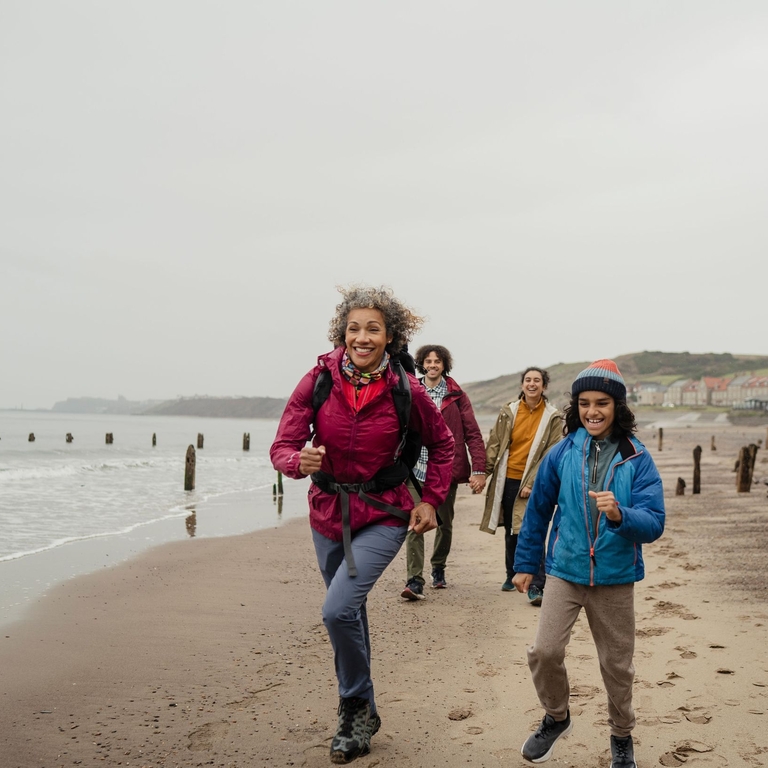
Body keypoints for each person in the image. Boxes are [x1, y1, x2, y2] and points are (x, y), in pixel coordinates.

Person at [269, 285, 454, 764]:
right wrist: (298, 461)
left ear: (390, 337)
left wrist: (431, 500)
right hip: (327, 512)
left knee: (336, 611)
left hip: (385, 513)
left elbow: (444, 445)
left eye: (373, 328)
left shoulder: (405, 389)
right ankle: (367, 709)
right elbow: (282, 446)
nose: (362, 337)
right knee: (349, 610)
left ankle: (352, 708)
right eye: (354, 328)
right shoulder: (318, 380)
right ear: (342, 334)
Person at [513, 360, 665, 767]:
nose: (592, 411)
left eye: (601, 403)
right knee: (545, 651)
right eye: (584, 403)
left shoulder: (637, 458)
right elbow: (538, 511)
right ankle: (556, 717)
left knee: (617, 666)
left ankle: (621, 736)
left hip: (616, 577)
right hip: (565, 569)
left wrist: (620, 516)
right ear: (575, 406)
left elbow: (654, 523)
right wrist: (527, 562)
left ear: (617, 406)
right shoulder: (562, 452)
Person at [400, 344, 486, 600]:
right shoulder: (412, 389)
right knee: (415, 522)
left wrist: (479, 468)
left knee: (443, 524)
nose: (433, 365)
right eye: (429, 361)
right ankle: (414, 580)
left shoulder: (457, 395)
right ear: (422, 364)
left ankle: (438, 566)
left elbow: (472, 433)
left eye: (438, 361)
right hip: (414, 470)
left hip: (444, 470)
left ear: (444, 365)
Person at [480, 367, 562, 601]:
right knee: (511, 529)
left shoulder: (553, 415)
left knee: (533, 528)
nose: (532, 384)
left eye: (537, 380)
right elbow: (495, 442)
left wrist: (532, 482)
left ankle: (537, 584)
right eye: (528, 380)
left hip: (536, 481)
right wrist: (483, 473)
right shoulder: (510, 410)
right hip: (508, 478)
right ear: (522, 385)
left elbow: (551, 452)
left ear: (544, 386)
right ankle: (512, 573)